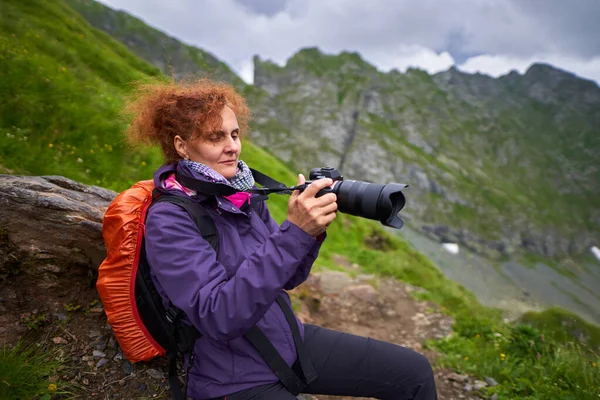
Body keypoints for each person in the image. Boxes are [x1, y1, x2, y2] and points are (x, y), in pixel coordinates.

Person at [124, 77, 438, 400]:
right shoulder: (170, 219)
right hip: (232, 380)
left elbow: (289, 277)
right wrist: (294, 233)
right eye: (215, 137)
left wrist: (308, 231)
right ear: (181, 145)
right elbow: (218, 316)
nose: (232, 146)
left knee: (414, 374)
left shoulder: (241, 194)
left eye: (234, 134)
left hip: (286, 341)